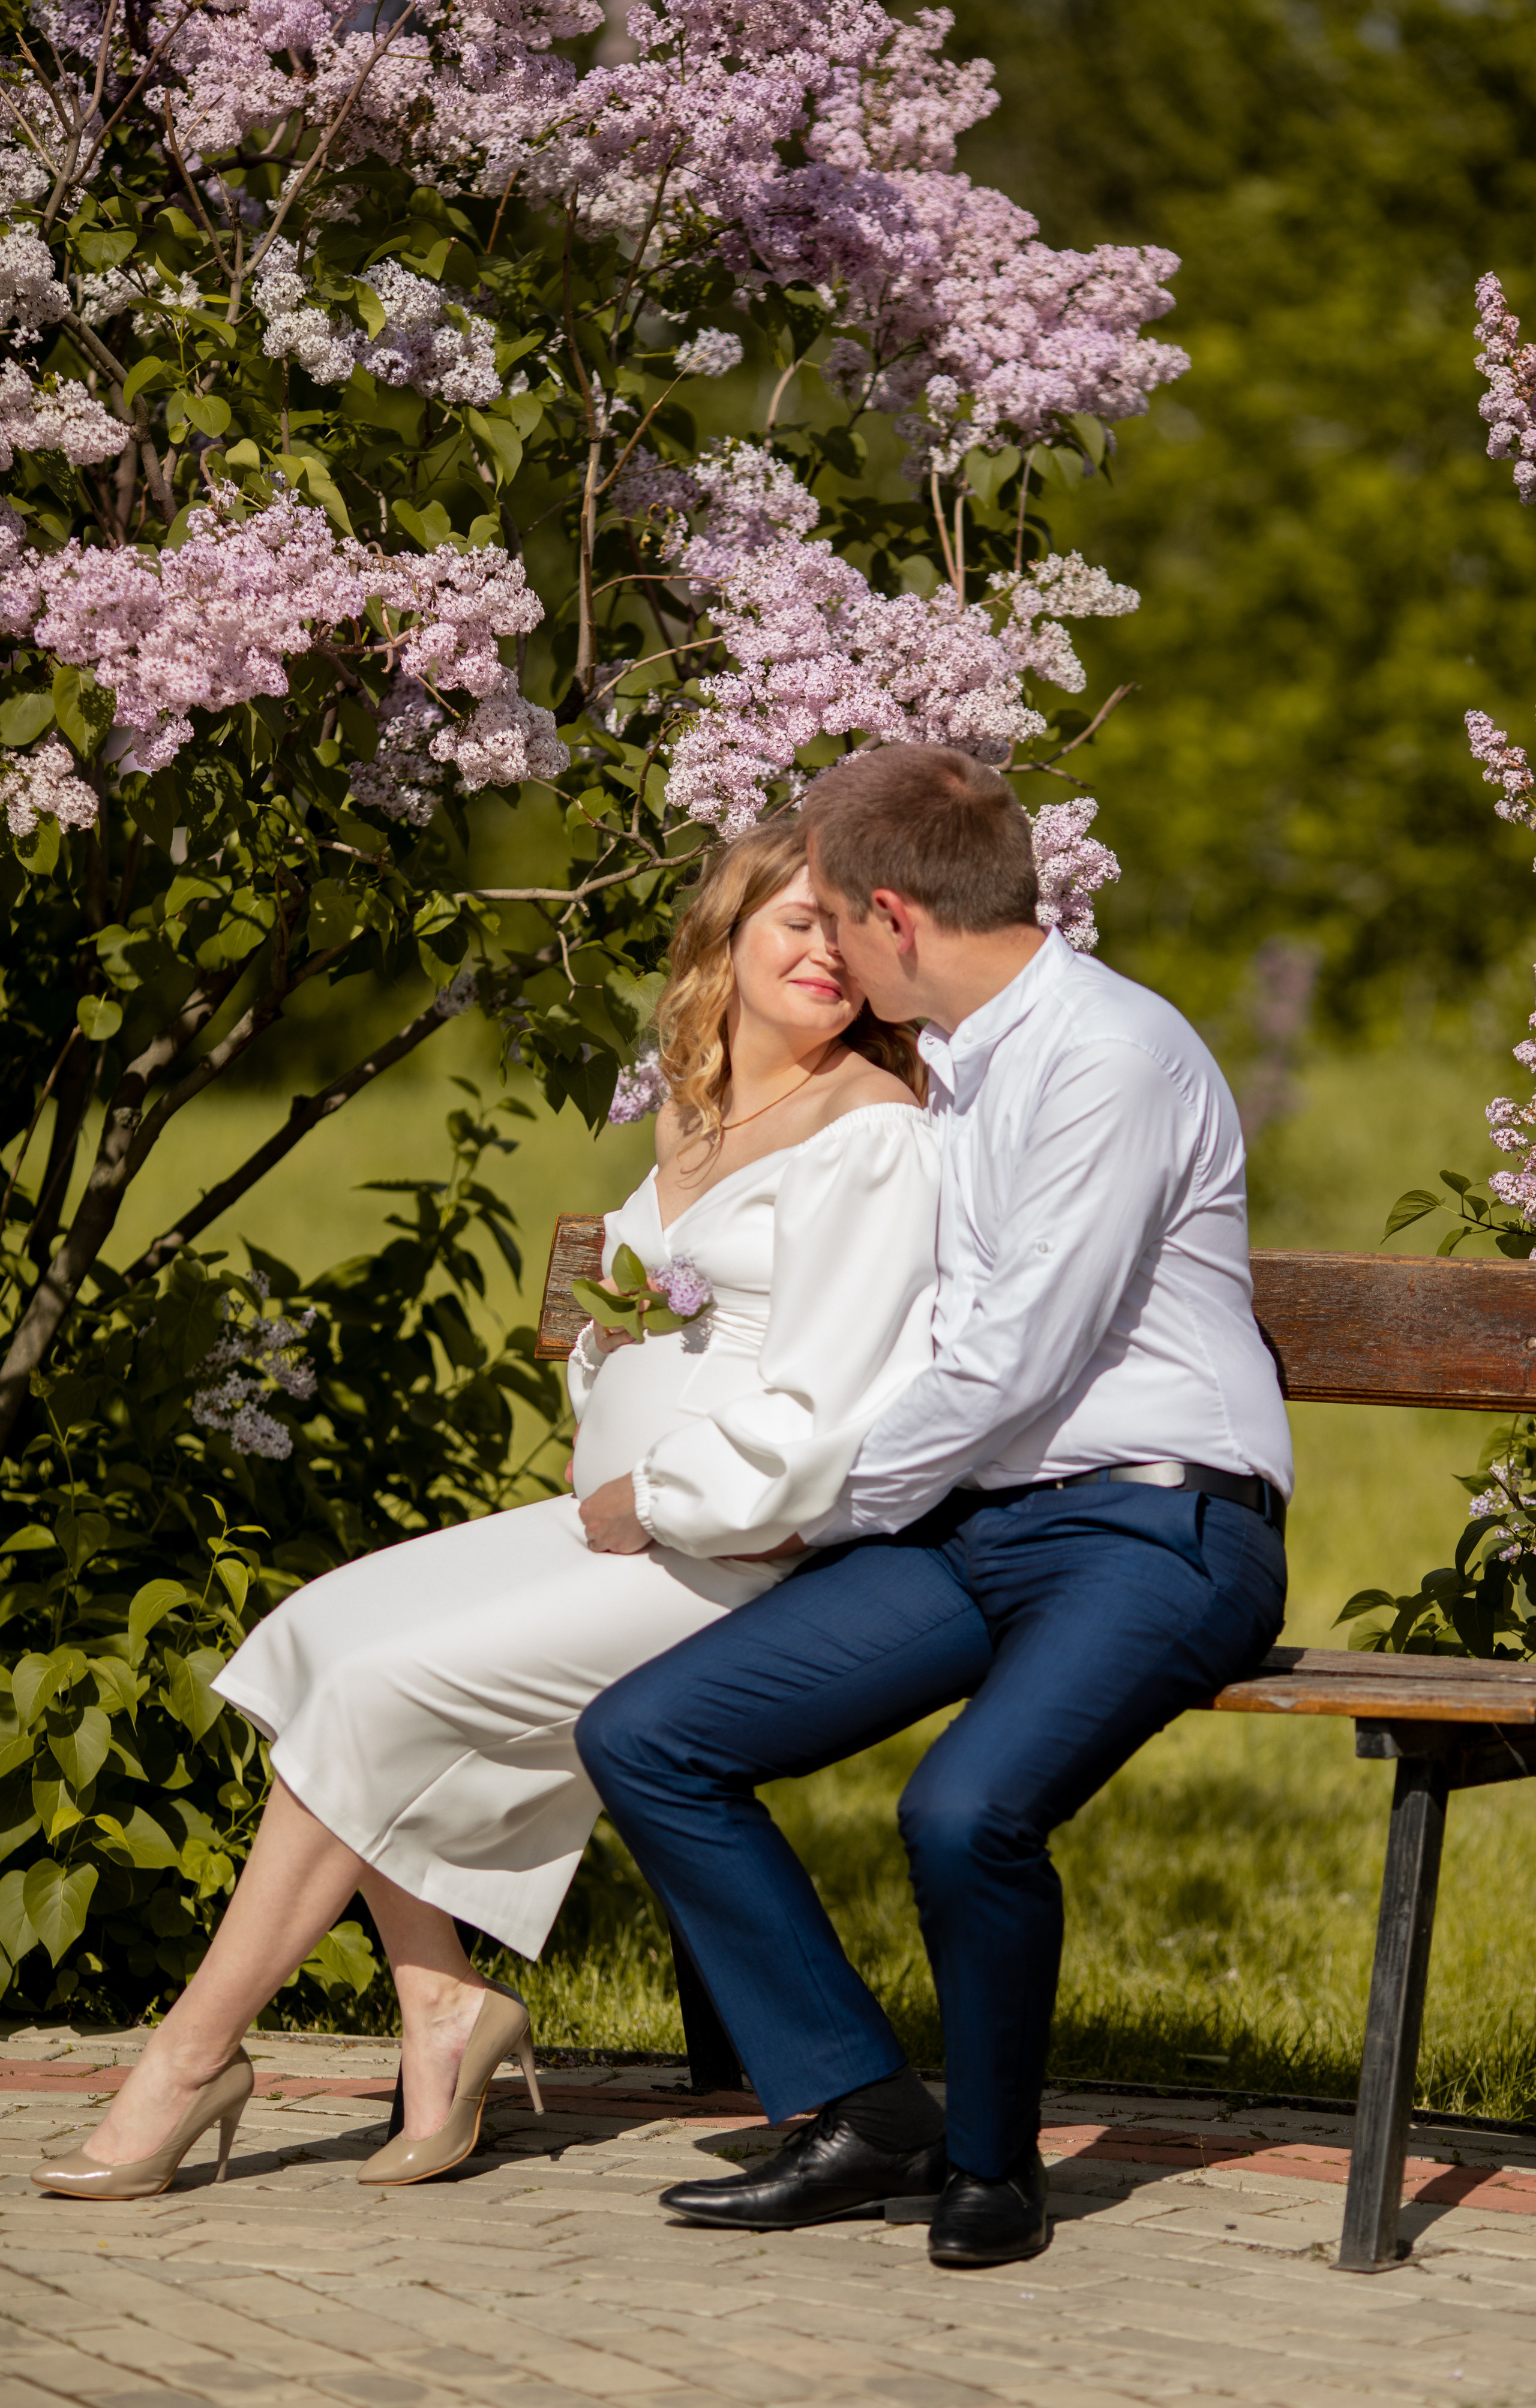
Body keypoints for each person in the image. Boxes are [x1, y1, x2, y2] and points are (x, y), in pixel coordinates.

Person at [31, 820, 942, 2203]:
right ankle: (445, 2010)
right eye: (795, 920)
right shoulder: (699, 1109)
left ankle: (188, 2058)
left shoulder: (876, 1136)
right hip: (620, 1519)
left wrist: (667, 1490)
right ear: (729, 932)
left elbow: (833, 1407)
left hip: (739, 1550)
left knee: (380, 1692)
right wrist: (609, 1435)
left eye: (852, 931)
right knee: (320, 1636)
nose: (824, 952)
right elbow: (624, 1315)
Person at [576, 741, 1294, 2270]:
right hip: (978, 1526)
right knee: (650, 1737)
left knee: (964, 1812)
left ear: (895, 918)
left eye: (832, 918)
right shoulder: (953, 1064)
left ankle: (992, 2165)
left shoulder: (1106, 1055)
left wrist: (812, 1517)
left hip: (1157, 1530)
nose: (821, 948)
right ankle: (856, 2109)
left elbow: (1010, 1358)